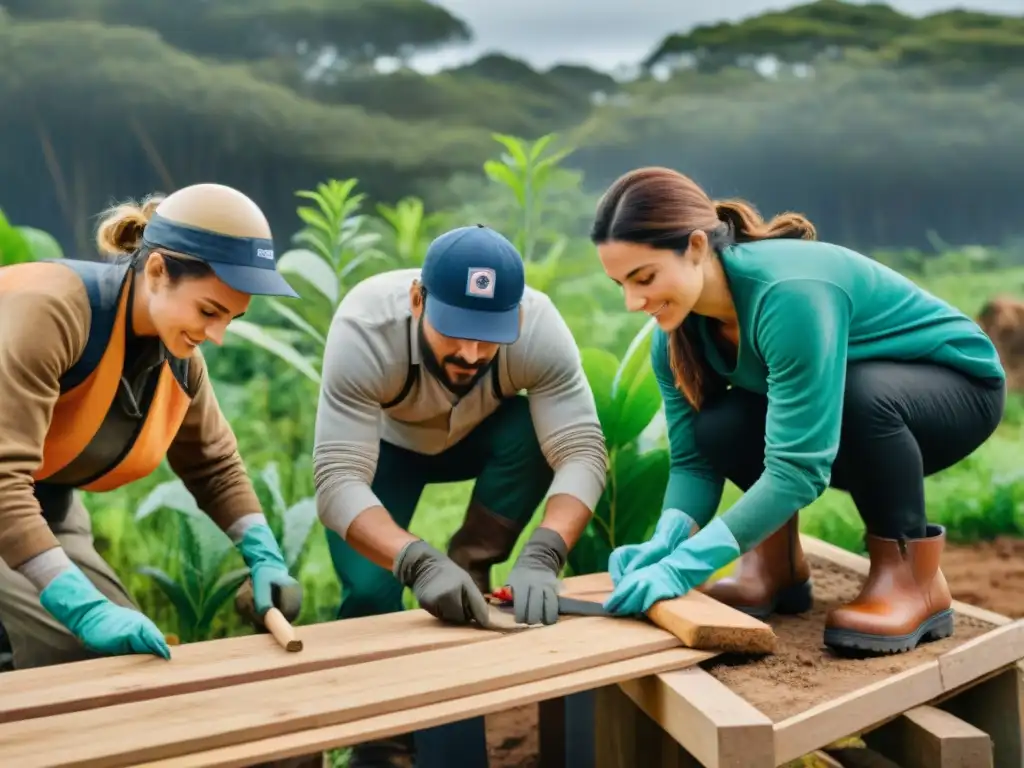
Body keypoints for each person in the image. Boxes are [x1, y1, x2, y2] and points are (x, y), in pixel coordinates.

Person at [591, 167, 1005, 656]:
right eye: (621, 283)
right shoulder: (679, 335)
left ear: (697, 248)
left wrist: (689, 566)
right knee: (720, 425)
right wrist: (667, 541)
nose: (633, 301)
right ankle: (777, 565)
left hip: (955, 390)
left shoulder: (788, 294)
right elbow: (694, 461)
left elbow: (798, 469)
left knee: (860, 394)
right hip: (855, 404)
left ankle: (913, 581)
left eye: (644, 278)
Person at [313, 223, 607, 766]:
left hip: (483, 439)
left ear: (516, 316)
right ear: (418, 299)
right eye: (454, 330)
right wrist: (416, 562)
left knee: (531, 433)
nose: (471, 353)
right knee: (371, 588)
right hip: (385, 452)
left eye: (489, 333)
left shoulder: (539, 330)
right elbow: (337, 482)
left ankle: (470, 568)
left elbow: (583, 452)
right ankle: (380, 737)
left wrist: (544, 552)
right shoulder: (365, 325)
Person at [0, 183, 304, 672]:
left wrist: (263, 556)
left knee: (122, 661)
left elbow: (215, 465)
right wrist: (82, 608)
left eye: (232, 318)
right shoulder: (53, 312)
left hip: (43, 505)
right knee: (69, 655)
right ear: (159, 271)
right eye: (209, 311)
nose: (217, 336)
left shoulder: (179, 356)